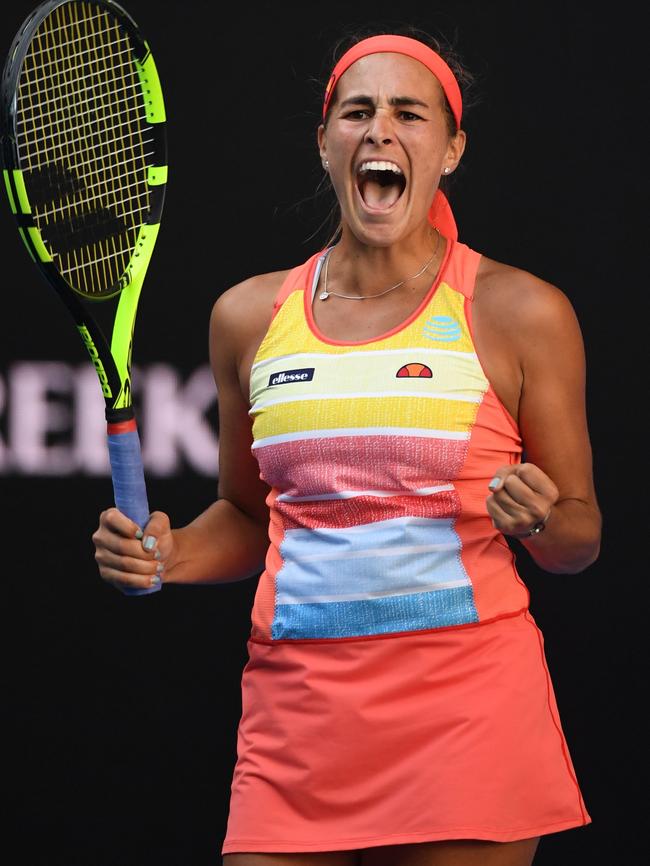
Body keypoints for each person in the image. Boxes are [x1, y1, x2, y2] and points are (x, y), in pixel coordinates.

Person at [92, 25, 601, 866]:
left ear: (452, 148)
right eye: (357, 112)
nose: (380, 131)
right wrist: (170, 553)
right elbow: (251, 519)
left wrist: (544, 520)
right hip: (297, 728)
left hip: (467, 717)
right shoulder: (248, 319)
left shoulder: (521, 312)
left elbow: (580, 537)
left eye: (410, 113)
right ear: (324, 143)